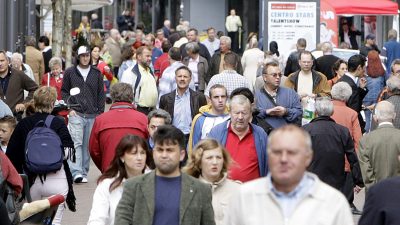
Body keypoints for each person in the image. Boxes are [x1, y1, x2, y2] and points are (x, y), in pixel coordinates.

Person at [224, 125, 354, 225]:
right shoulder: (244, 197)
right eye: (277, 152)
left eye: (292, 152)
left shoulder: (333, 202)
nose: (284, 159)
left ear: (308, 157)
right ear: (268, 156)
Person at [114, 125, 216, 225]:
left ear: (182, 155)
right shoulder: (133, 186)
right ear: (153, 153)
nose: (164, 155)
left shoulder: (201, 190)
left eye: (169, 150)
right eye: (160, 149)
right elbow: (122, 220)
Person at [6, 86, 76, 225]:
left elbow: (11, 156)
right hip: (57, 179)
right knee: (54, 221)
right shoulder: (58, 122)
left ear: (35, 102)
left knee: (32, 221)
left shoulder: (24, 124)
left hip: (31, 182)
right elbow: (68, 152)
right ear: (52, 103)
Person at [62, 45, 105, 183]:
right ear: (78, 57)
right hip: (76, 112)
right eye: (82, 56)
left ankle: (84, 171)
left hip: (93, 114)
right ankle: (76, 172)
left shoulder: (97, 73)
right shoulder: (70, 72)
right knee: (76, 143)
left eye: (87, 55)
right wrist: (70, 108)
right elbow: (64, 91)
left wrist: (100, 112)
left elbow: (100, 93)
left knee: (88, 145)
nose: (85, 58)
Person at [88, 135, 152, 225]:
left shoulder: (154, 181)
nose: (139, 158)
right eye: (134, 153)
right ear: (122, 157)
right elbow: (97, 219)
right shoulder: (107, 184)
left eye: (142, 153)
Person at [303, 97, 363, 191]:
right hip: (336, 179)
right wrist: (358, 180)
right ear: (331, 112)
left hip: (311, 178)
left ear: (316, 112)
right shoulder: (342, 131)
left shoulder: (305, 130)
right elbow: (352, 157)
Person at [89, 83, 149, 173]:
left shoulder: (101, 120)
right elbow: (148, 145)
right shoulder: (143, 118)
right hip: (136, 169)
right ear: (131, 97)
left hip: (109, 168)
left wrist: (104, 165)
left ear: (113, 97)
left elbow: (94, 150)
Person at [208, 95, 268, 182]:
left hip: (253, 192)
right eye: (236, 113)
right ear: (229, 113)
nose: (240, 117)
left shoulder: (260, 134)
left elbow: (269, 164)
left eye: (244, 113)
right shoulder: (216, 133)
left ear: (250, 114)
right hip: (224, 191)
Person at [184, 139, 240, 225]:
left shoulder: (237, 189)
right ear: (199, 162)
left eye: (218, 157)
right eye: (209, 158)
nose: (215, 162)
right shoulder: (188, 191)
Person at [331, 82, 363, 213]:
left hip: (328, 152)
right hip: (345, 155)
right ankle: (348, 203)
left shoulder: (326, 109)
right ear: (347, 97)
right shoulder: (352, 113)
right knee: (346, 179)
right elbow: (358, 139)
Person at [358, 101, 400, 192]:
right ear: (394, 115)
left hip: (375, 195)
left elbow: (366, 173)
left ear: (375, 117)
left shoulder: (365, 140)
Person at [159, 66, 207, 144]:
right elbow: (162, 121)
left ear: (190, 79)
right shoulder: (165, 99)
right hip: (172, 137)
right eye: (179, 76)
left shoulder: (199, 97)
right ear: (175, 78)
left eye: (185, 76)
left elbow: (203, 119)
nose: (182, 79)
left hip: (192, 138)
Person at [256, 61, 302, 129]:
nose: (278, 77)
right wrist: (266, 112)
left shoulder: (290, 93)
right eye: (274, 75)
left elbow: (299, 112)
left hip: (287, 134)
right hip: (266, 136)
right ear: (265, 77)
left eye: (280, 75)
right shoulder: (256, 96)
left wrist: (286, 111)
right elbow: (253, 116)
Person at [188, 84, 230, 154]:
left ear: (226, 98)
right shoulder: (200, 119)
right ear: (210, 99)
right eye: (216, 97)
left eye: (223, 96)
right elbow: (194, 145)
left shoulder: (232, 117)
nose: (220, 100)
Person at [0, 50, 38, 119]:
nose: (0, 64)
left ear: (8, 61)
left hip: (15, 119)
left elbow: (35, 89)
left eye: (2, 60)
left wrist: (24, 104)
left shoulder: (19, 75)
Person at [121, 46, 158, 115]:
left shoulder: (149, 71)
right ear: (139, 57)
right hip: (138, 111)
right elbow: (125, 95)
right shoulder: (130, 73)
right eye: (147, 56)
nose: (150, 58)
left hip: (151, 111)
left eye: (150, 56)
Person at [338, 54, 368, 133]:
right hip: (349, 127)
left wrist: (361, 89)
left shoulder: (342, 79)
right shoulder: (351, 84)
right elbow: (354, 110)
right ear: (359, 68)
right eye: (364, 69)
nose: (364, 71)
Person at [363, 50, 385, 132]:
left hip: (366, 98)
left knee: (367, 120)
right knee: (377, 120)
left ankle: (366, 137)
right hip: (378, 98)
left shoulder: (364, 71)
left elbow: (359, 83)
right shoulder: (382, 71)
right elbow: (386, 83)